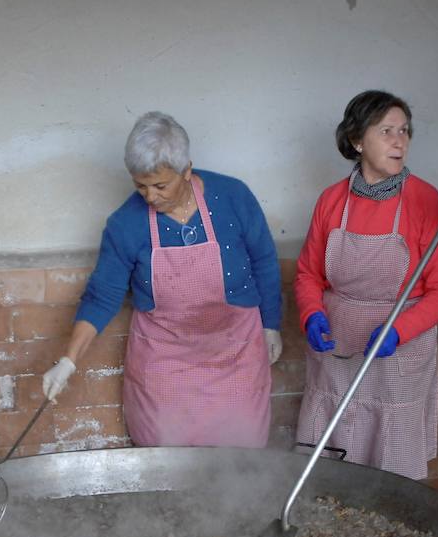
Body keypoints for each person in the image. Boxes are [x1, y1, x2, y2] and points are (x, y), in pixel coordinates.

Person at [41, 112, 282, 447]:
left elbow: (265, 261)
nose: (150, 197)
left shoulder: (233, 197)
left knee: (240, 461)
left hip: (234, 355)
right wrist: (68, 360)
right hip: (165, 364)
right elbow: (101, 296)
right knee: (166, 467)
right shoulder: (125, 223)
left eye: (160, 185)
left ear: (186, 170)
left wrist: (271, 324)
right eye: (140, 185)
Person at [294, 91, 438, 478]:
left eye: (404, 131)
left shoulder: (425, 200)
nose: (399, 140)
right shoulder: (331, 201)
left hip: (398, 353)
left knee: (392, 468)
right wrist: (311, 314)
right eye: (386, 131)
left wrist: (398, 331)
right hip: (338, 349)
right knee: (331, 464)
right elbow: (308, 274)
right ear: (356, 141)